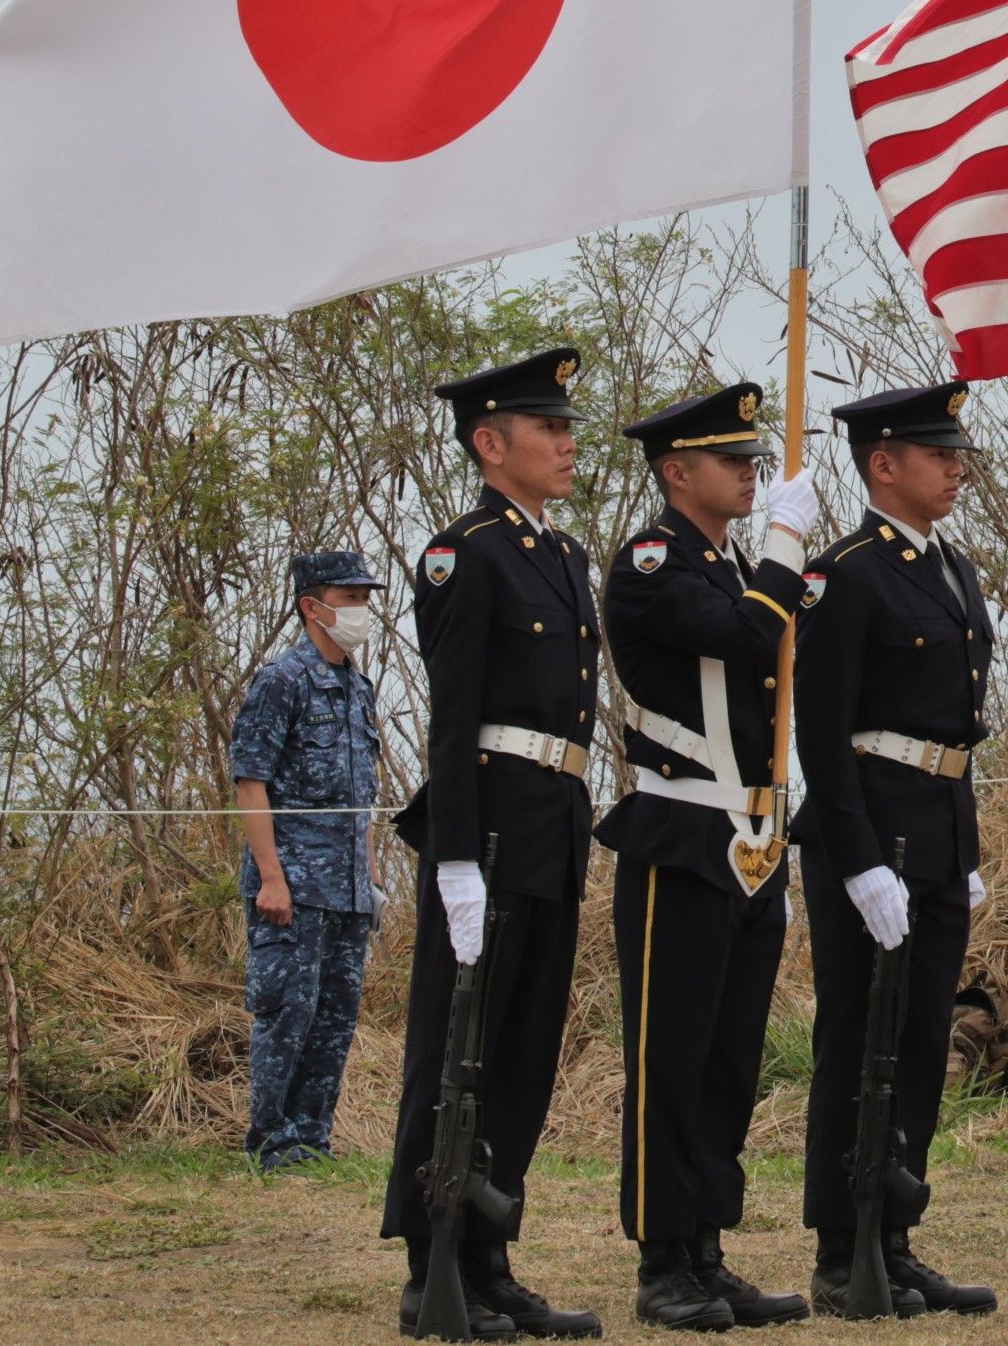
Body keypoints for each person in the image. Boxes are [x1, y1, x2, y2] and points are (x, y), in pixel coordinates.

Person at [382, 347, 604, 1342]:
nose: (566, 441)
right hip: (492, 817)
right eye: (545, 427)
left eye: (565, 425)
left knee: (519, 1052)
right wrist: (459, 857)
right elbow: (454, 713)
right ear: (490, 441)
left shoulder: (558, 555)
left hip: (552, 816)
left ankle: (490, 1254)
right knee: (455, 1045)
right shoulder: (462, 552)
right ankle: (431, 1263)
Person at [598, 382, 823, 1330]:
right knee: (672, 1055)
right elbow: (737, 635)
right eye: (730, 459)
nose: (750, 471)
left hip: (754, 838)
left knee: (730, 1059)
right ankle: (660, 1257)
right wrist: (786, 547)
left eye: (753, 458)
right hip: (681, 832)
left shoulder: (736, 567)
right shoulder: (653, 563)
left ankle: (707, 1245)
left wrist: (781, 562)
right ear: (675, 470)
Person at [791, 382, 998, 1320]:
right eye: (936, 451)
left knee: (918, 1038)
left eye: (955, 451)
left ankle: (897, 1229)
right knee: (855, 1036)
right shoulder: (845, 573)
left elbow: (956, 724)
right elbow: (822, 732)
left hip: (939, 829)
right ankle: (844, 1245)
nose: (956, 466)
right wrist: (857, 856)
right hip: (870, 829)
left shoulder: (954, 569)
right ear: (883, 463)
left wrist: (966, 841)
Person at [233, 548, 389, 1171]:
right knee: (286, 1017)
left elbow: (363, 796)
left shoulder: (358, 687)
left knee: (334, 1020)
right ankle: (271, 1143)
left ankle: (311, 1139)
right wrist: (272, 877)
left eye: (364, 599)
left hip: (347, 890)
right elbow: (250, 784)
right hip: (292, 888)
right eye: (350, 599)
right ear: (312, 605)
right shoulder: (281, 681)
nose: (361, 611)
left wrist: (371, 872)